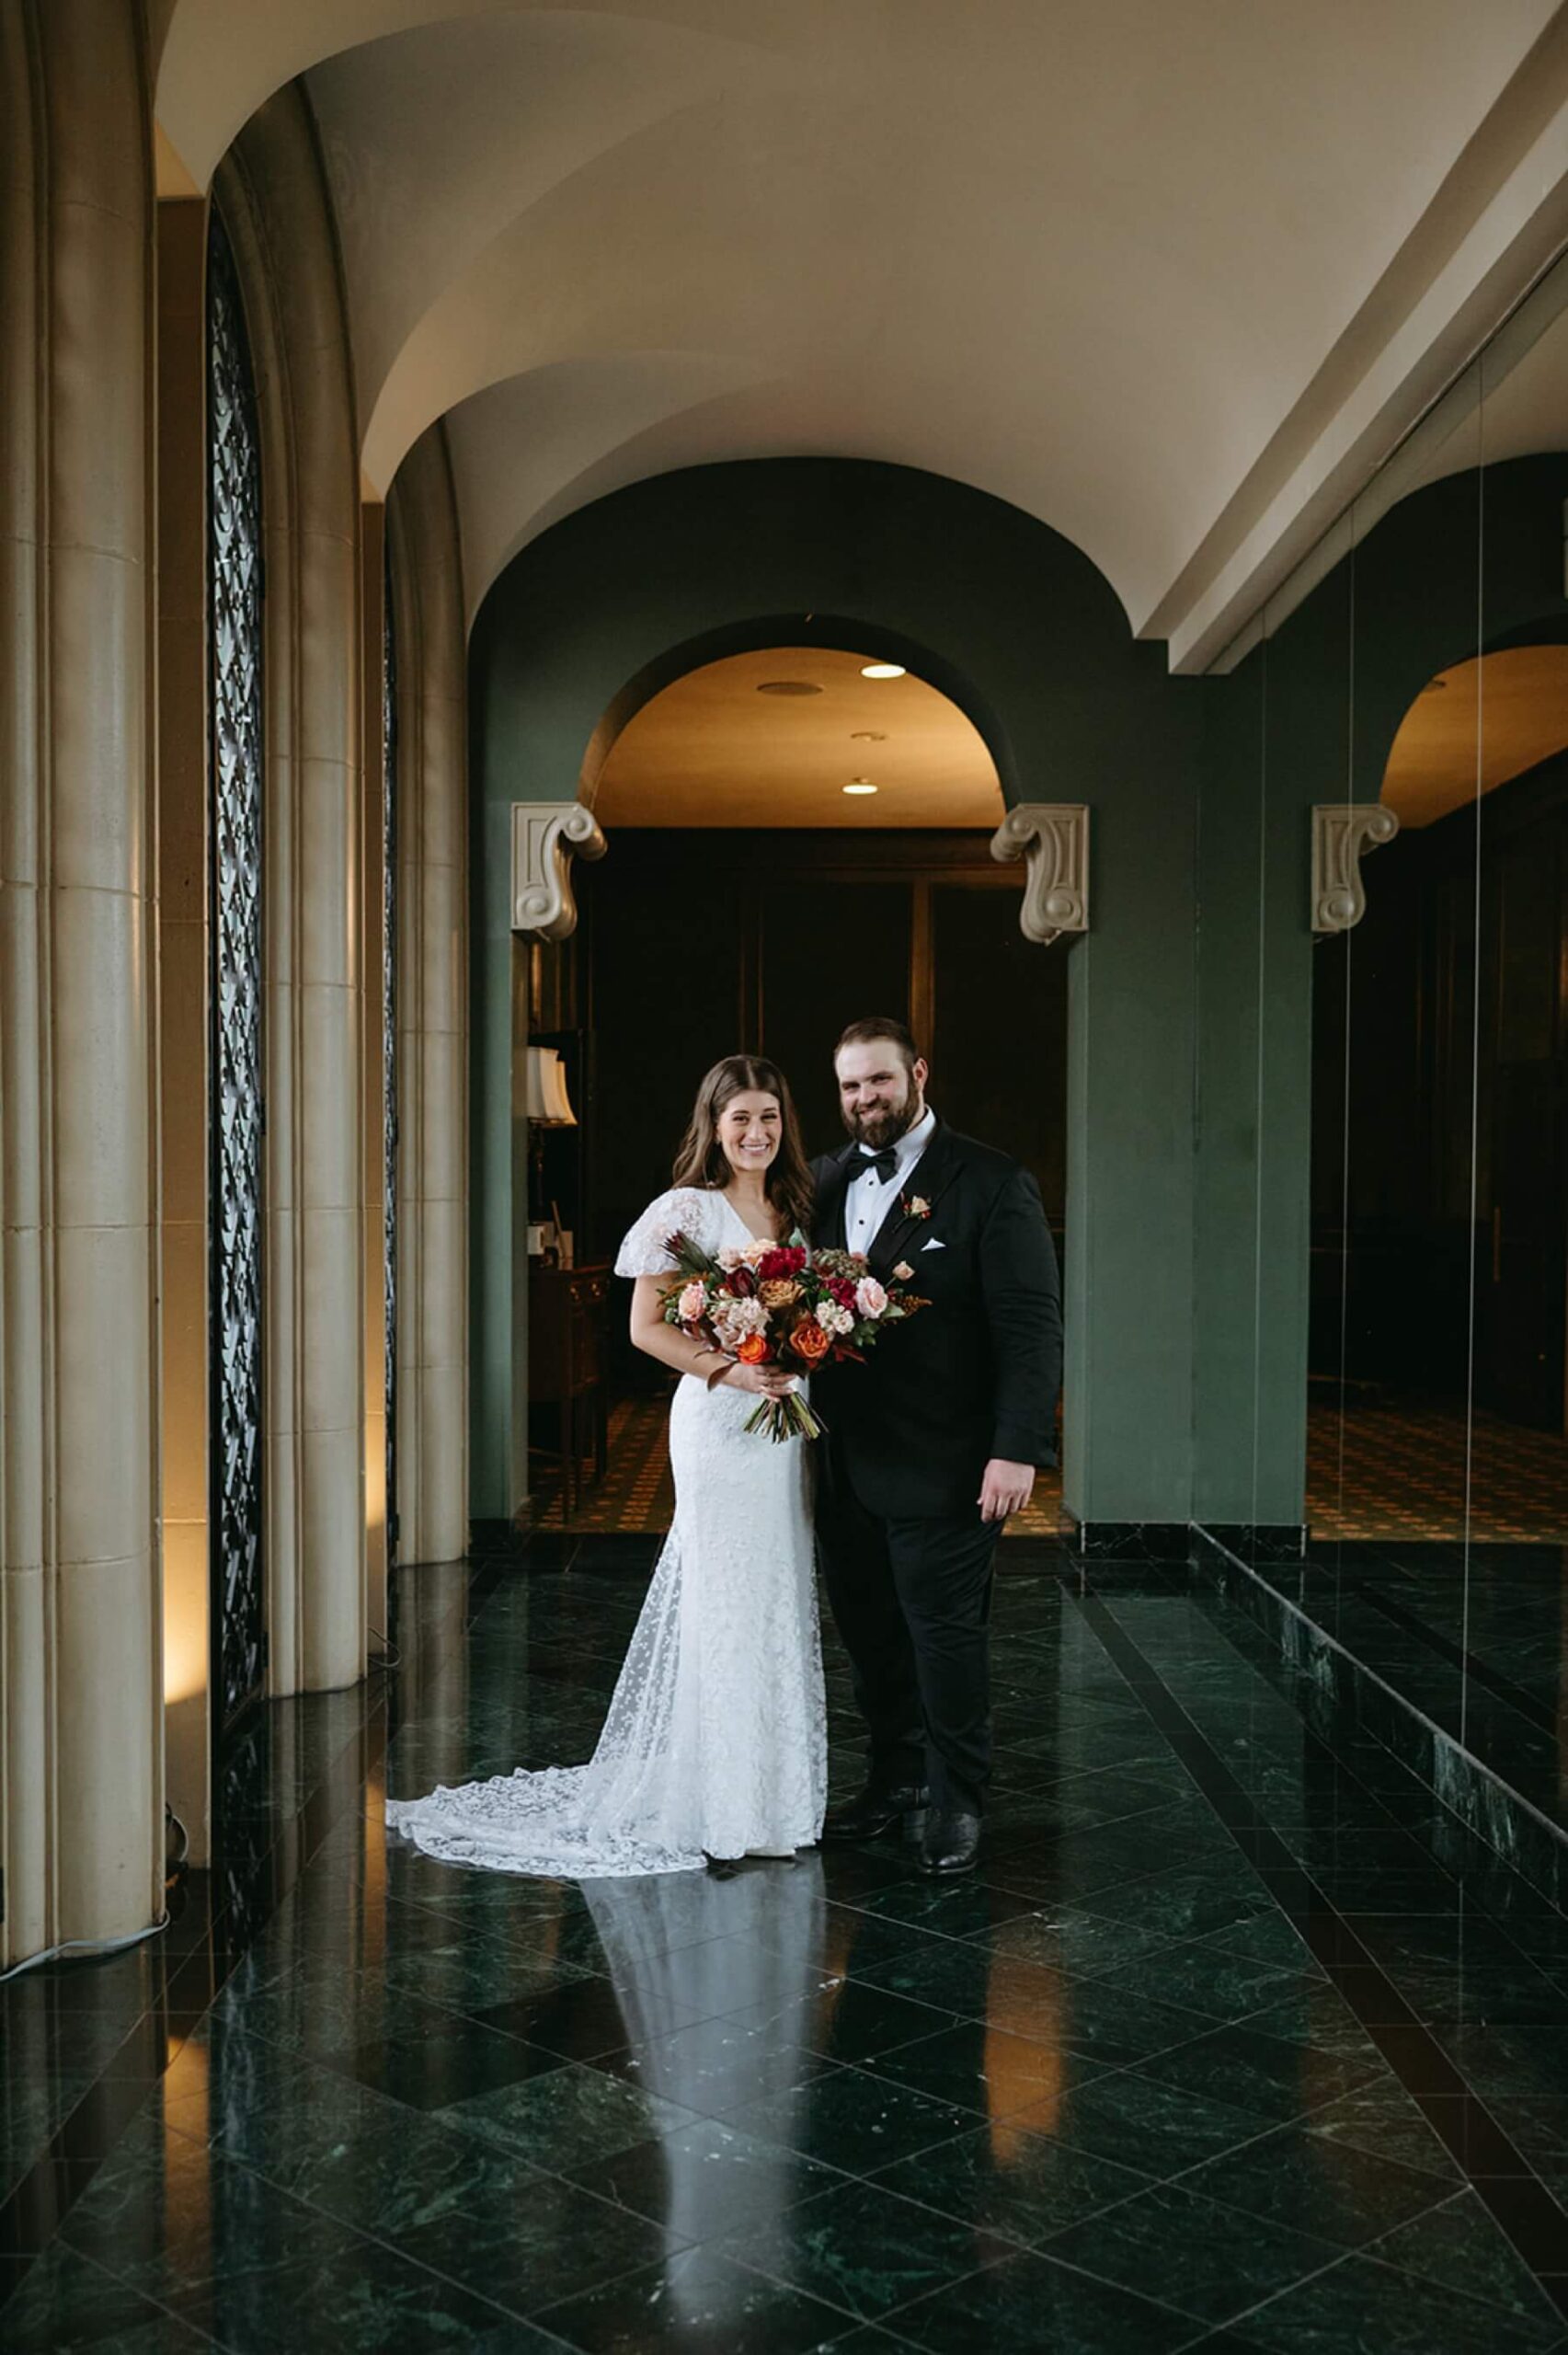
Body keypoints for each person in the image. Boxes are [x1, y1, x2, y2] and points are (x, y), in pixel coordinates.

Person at [386, 1054, 827, 1876]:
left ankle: (770, 1801)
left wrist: (796, 1357)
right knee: (722, 1598)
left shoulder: (794, 1209)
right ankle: (714, 1801)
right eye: (740, 1119)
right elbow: (646, 1329)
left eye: (769, 1118)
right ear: (713, 1125)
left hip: (779, 1427)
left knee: (774, 1593)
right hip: (720, 1422)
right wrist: (732, 1369)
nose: (756, 1133)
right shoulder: (684, 1209)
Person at [810, 1017, 1062, 1878]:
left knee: (943, 1637)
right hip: (842, 1461)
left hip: (950, 1462)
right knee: (870, 1633)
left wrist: (1016, 1448)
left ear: (917, 1073)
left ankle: (958, 1801)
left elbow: (1030, 1327)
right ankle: (896, 1779)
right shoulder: (821, 1181)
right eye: (849, 1087)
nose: (864, 1100)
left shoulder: (991, 1181)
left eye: (878, 1081)